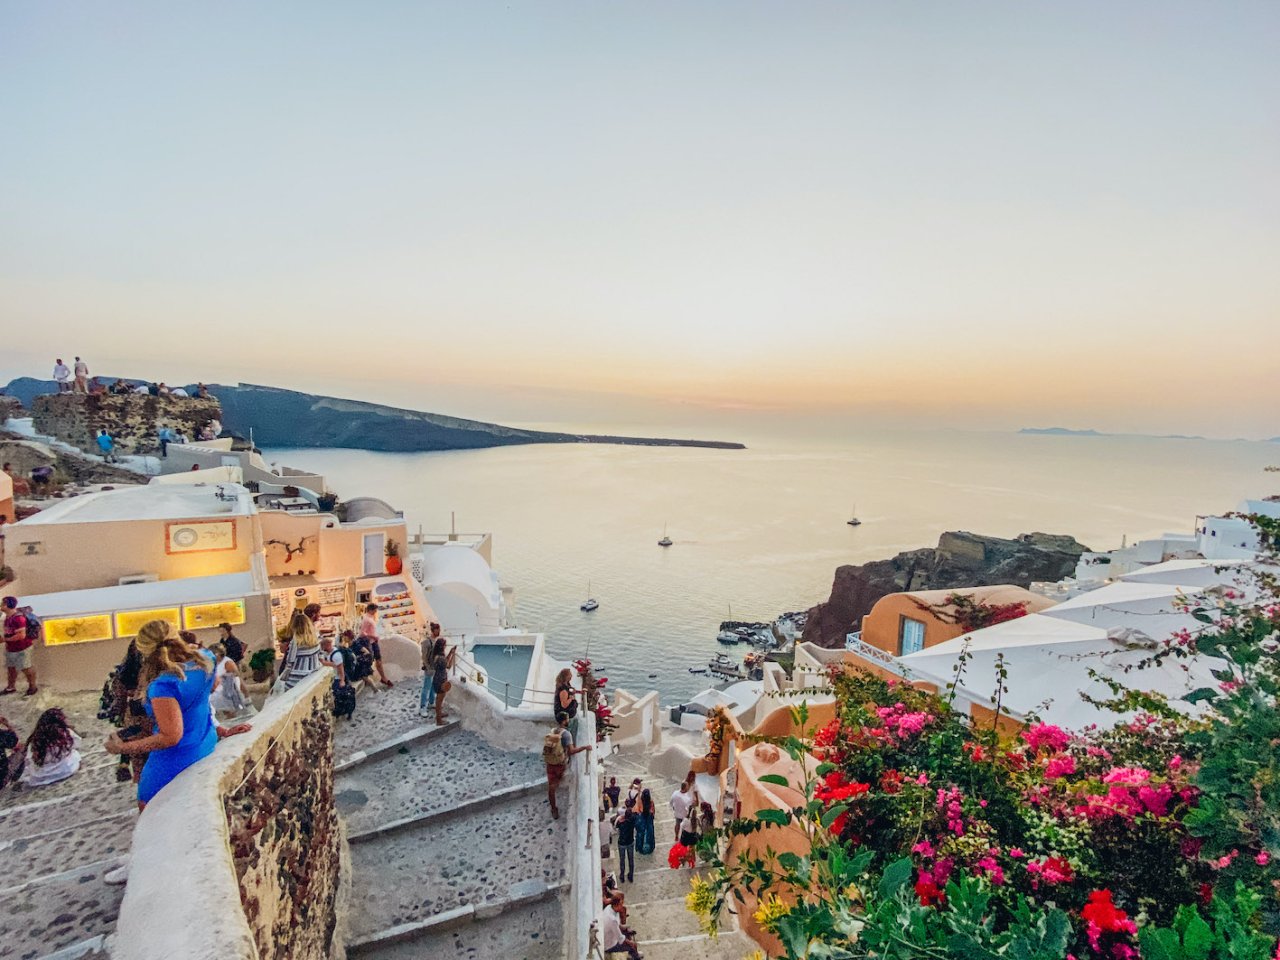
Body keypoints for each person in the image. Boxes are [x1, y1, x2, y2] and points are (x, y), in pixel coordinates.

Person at [105, 620, 249, 812]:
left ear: (144, 650)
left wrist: (123, 748)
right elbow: (203, 699)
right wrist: (221, 730)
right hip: (205, 742)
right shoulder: (206, 659)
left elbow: (171, 736)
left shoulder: (164, 685)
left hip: (173, 762)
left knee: (149, 811)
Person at [542, 714, 591, 820]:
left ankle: (553, 808)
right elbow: (571, 751)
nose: (568, 720)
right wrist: (585, 747)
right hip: (560, 764)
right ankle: (557, 784)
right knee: (556, 782)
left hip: (549, 763)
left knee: (551, 788)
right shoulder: (567, 734)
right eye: (567, 719)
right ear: (564, 721)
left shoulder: (553, 731)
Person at [19, 708, 81, 787]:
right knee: (75, 755)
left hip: (41, 775)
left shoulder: (35, 739)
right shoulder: (65, 733)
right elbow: (77, 744)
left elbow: (29, 758)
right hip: (65, 770)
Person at [277, 610, 322, 691]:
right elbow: (320, 655)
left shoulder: (295, 642)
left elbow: (290, 662)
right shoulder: (316, 639)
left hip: (295, 680)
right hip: (312, 676)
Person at [2, 596, 37, 697]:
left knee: (26, 668)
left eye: (3, 604)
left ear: (8, 605)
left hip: (22, 648)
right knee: (11, 668)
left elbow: (21, 635)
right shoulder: (8, 617)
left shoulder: (18, 618)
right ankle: (11, 687)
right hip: (11, 648)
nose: (1, 606)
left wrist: (5, 640)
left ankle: (32, 687)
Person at [209, 643, 253, 720]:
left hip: (228, 689)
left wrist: (246, 694)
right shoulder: (215, 663)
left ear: (217, 654)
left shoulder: (227, 662)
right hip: (218, 690)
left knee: (230, 710)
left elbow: (236, 676)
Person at [320, 633, 356, 720]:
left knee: (341, 697)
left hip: (338, 679)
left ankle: (347, 712)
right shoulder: (330, 653)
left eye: (323, 646)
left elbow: (340, 667)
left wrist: (342, 680)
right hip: (335, 678)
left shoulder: (336, 655)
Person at [359, 603, 393, 687]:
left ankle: (383, 678)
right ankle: (368, 679)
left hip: (373, 642)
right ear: (371, 610)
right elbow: (362, 633)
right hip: (369, 643)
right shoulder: (366, 619)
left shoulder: (371, 618)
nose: (376, 611)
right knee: (372, 661)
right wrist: (373, 636)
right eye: (375, 610)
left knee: (378, 659)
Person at [599, 894, 642, 958]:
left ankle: (633, 954)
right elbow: (620, 938)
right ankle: (636, 957)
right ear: (616, 905)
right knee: (632, 947)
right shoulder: (612, 919)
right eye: (621, 904)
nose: (622, 906)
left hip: (611, 935)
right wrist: (631, 943)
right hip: (609, 945)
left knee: (628, 932)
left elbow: (617, 925)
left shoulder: (610, 908)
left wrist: (625, 927)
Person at [429, 635, 456, 725]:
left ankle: (439, 714)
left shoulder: (437, 656)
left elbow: (445, 661)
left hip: (437, 679)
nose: (445, 646)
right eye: (445, 645)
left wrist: (450, 653)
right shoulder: (440, 658)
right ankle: (439, 720)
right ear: (442, 647)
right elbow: (448, 665)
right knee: (439, 701)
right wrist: (452, 655)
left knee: (439, 700)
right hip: (441, 681)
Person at [418, 622, 443, 716]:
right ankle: (422, 707)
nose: (439, 632)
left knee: (433, 686)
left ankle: (431, 702)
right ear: (433, 631)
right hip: (429, 668)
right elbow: (424, 657)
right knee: (426, 688)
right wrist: (428, 667)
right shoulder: (426, 642)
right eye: (437, 630)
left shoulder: (436, 641)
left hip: (435, 668)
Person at [614, 800, 637, 883]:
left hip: (622, 843)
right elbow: (635, 814)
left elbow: (615, 827)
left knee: (622, 860)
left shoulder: (621, 823)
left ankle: (622, 876)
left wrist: (621, 818)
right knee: (631, 860)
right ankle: (630, 875)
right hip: (630, 842)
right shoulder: (633, 821)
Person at [670, 775, 695, 843]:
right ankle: (683, 838)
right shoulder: (686, 798)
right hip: (684, 815)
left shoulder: (675, 793)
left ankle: (676, 836)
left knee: (677, 824)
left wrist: (673, 807)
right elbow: (689, 807)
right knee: (685, 827)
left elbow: (671, 802)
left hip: (677, 813)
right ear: (685, 788)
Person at [554, 667, 579, 733]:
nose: (571, 676)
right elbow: (564, 705)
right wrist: (571, 698)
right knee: (567, 732)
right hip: (565, 716)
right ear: (566, 677)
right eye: (570, 675)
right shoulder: (563, 690)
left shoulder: (566, 685)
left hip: (569, 714)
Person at [636, 787, 656, 855]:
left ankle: (640, 847)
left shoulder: (641, 802)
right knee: (650, 833)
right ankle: (650, 847)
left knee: (640, 834)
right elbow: (653, 812)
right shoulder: (651, 802)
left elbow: (638, 810)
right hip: (649, 820)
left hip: (642, 820)